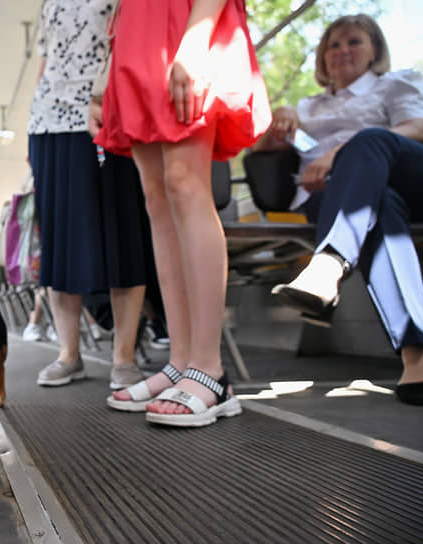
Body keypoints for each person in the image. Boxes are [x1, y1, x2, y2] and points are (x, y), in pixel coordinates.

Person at [95, 0, 271, 426]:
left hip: (184, 18)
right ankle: (181, 360)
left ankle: (210, 368)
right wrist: (106, 71)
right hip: (135, 31)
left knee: (186, 183)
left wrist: (196, 39)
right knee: (156, 197)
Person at [255, 14, 423, 406]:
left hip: (411, 175)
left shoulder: (396, 83)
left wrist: (340, 152)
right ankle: (419, 357)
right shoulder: (307, 106)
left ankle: (329, 262)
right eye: (333, 45)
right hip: (342, 198)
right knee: (378, 205)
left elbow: (420, 130)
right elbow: (262, 151)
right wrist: (277, 122)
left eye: (353, 41)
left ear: (374, 52)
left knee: (368, 143)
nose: (342, 51)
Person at [29, 0, 152, 391]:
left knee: (121, 234)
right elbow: (43, 63)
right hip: (49, 123)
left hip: (109, 113)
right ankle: (69, 354)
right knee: (59, 243)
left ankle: (125, 356)